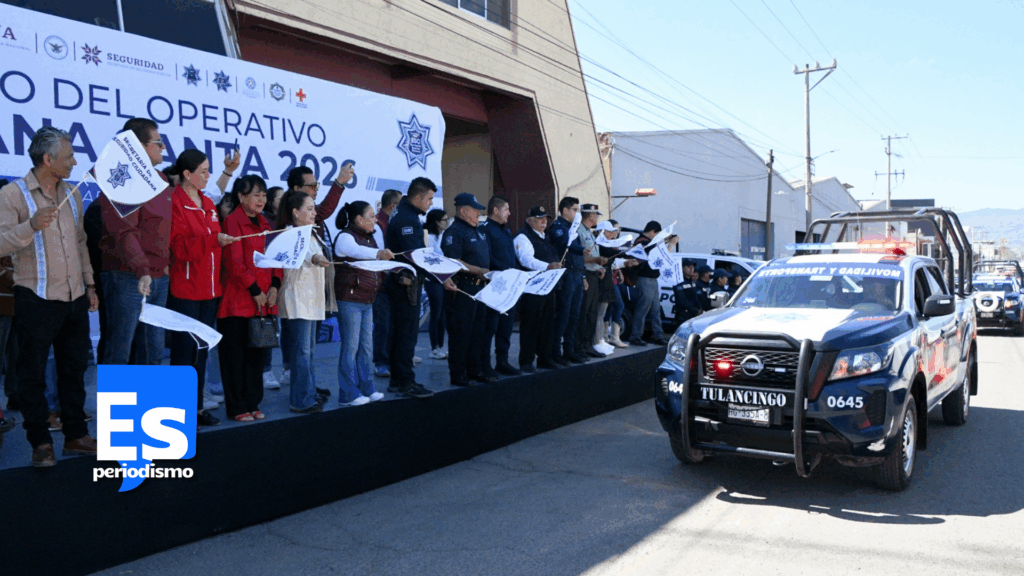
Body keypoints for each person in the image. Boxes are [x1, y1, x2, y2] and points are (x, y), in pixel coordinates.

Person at [0, 126, 99, 467]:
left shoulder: (71, 193)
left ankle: (75, 435)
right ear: (48, 159)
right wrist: (30, 226)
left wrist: (89, 285)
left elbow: (81, 243)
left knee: (73, 370)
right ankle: (40, 441)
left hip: (74, 297)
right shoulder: (12, 195)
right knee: (32, 374)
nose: (74, 162)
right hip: (36, 296)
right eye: (68, 156)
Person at [168, 149, 238, 427]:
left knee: (201, 351)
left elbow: (214, 244)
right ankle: (178, 413)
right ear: (187, 174)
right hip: (185, 288)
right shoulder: (175, 203)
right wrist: (214, 240)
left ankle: (195, 409)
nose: (209, 175)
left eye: (210, 171)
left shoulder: (207, 202)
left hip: (210, 290)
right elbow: (181, 249)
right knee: (184, 352)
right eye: (204, 171)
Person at [98, 118, 173, 366]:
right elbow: (124, 232)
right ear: (138, 145)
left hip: (158, 277)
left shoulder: (161, 179)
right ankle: (116, 406)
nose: (163, 147)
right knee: (121, 347)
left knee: (153, 348)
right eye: (158, 142)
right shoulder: (120, 177)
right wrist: (142, 269)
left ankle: (148, 404)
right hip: (127, 276)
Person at [217, 175, 283, 421]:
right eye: (255, 195)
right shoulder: (232, 222)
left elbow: (277, 259)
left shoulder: (267, 223)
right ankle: (237, 406)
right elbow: (234, 263)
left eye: (264, 195)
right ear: (242, 197)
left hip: (264, 302)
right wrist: (255, 291)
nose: (261, 199)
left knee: (257, 356)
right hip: (237, 301)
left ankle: (253, 402)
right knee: (235, 357)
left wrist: (275, 285)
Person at [276, 190, 332, 414]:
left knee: (308, 350)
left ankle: (308, 393)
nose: (313, 213)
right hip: (298, 300)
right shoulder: (290, 234)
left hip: (311, 299)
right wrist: (317, 258)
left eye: (313, 209)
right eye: (309, 209)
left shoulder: (310, 233)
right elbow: (307, 255)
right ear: (295, 212)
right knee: (302, 352)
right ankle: (300, 399)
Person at [333, 201, 394, 406]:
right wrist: (379, 253)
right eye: (371, 216)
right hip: (349, 300)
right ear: (359, 219)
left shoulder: (369, 238)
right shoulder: (344, 237)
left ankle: (367, 387)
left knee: (366, 348)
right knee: (350, 348)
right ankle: (348, 393)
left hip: (367, 299)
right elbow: (357, 252)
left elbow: (375, 262)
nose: (375, 219)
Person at [383, 179, 437, 398]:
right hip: (404, 285)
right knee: (406, 335)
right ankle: (405, 381)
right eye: (430, 199)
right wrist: (440, 274)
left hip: (400, 284)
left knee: (398, 334)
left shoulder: (405, 213)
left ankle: (397, 379)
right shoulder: (406, 218)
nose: (431, 203)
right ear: (418, 198)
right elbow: (415, 254)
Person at [442, 193, 493, 386]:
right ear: (463, 211)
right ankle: (458, 373)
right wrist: (477, 270)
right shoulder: (454, 232)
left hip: (481, 288)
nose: (478, 214)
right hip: (463, 287)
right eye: (475, 210)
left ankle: (475, 369)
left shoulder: (478, 230)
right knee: (461, 332)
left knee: (478, 331)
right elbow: (453, 261)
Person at [513, 206, 562, 372]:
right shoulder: (522, 237)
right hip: (532, 290)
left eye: (546, 218)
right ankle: (526, 361)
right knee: (530, 326)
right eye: (540, 218)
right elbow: (526, 260)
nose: (544, 221)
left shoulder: (545, 236)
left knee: (547, 325)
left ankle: (544, 358)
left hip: (548, 288)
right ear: (529, 220)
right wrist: (548, 266)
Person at [479, 196, 521, 376]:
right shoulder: (485, 229)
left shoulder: (506, 231)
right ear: (495, 210)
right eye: (506, 210)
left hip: (510, 286)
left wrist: (518, 273)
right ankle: (485, 364)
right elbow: (487, 257)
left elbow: (512, 257)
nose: (509, 213)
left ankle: (502, 361)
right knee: (490, 327)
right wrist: (506, 271)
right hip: (494, 285)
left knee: (506, 325)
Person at [625, 221, 674, 346]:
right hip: (645, 278)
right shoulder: (642, 242)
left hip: (652, 279)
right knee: (643, 308)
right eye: (657, 234)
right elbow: (656, 255)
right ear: (652, 231)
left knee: (655, 309)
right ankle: (635, 336)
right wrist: (670, 244)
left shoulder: (648, 243)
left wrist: (665, 242)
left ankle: (658, 335)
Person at [549, 197, 586, 364]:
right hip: (567, 275)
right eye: (574, 209)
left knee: (574, 315)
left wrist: (583, 275)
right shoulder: (558, 227)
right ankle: (556, 352)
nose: (577, 213)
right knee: (563, 314)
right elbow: (565, 244)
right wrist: (582, 249)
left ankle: (569, 350)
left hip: (577, 275)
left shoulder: (573, 227)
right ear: (565, 210)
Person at [372, 189, 403, 377]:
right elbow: (379, 254)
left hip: (393, 280)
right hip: (381, 282)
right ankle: (380, 362)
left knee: (393, 322)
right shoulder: (377, 224)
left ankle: (392, 357)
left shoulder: (392, 222)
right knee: (383, 323)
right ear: (393, 206)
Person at [575, 204, 609, 359]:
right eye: (596, 214)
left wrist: (599, 266)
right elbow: (579, 256)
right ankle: (579, 347)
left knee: (592, 313)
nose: (597, 217)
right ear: (590, 215)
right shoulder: (578, 231)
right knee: (584, 312)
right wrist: (596, 260)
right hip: (585, 274)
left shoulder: (589, 231)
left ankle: (588, 345)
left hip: (594, 274)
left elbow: (593, 254)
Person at [424, 208, 448, 359]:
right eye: (444, 220)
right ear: (437, 222)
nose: (447, 222)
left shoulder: (442, 235)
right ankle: (434, 348)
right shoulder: (428, 236)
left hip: (443, 278)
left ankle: (440, 346)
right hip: (432, 279)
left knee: (443, 315)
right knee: (436, 313)